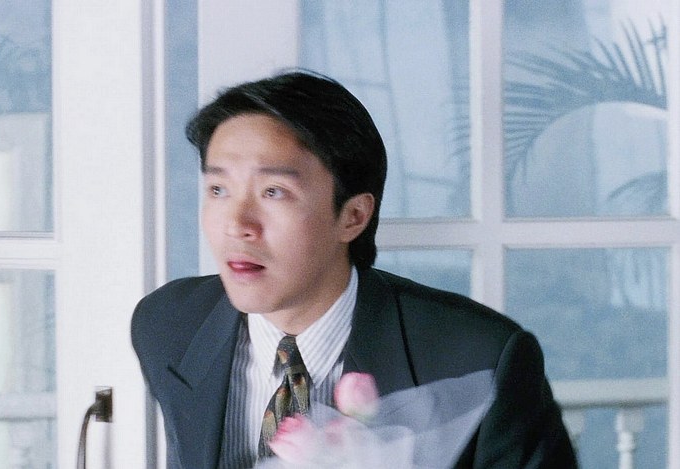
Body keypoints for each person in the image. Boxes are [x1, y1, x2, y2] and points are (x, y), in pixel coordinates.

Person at [131, 70, 577, 468]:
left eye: (273, 192)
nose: (237, 224)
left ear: (354, 217)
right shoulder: (167, 325)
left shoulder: (480, 359)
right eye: (218, 189)